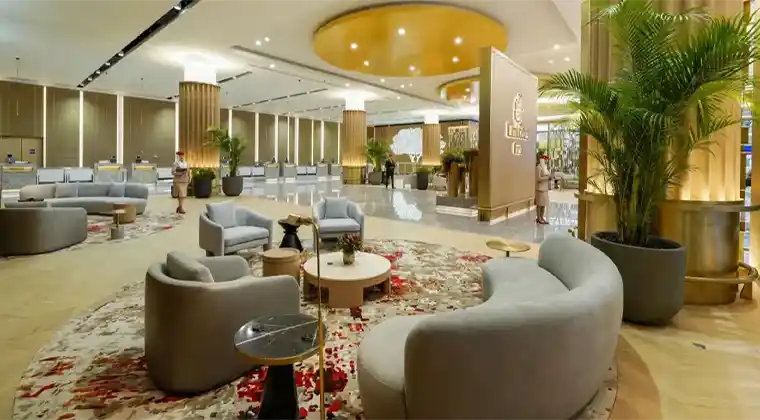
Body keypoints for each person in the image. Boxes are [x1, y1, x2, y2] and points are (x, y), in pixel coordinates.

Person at [535, 154, 551, 224]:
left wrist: (549, 178)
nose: (546, 161)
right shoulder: (538, 167)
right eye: (545, 159)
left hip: (545, 189)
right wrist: (547, 178)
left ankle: (542, 217)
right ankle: (538, 218)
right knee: (539, 205)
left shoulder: (545, 168)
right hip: (540, 189)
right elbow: (538, 179)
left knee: (543, 204)